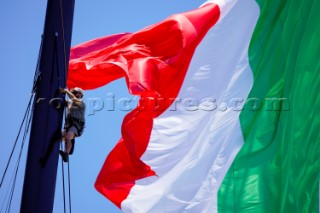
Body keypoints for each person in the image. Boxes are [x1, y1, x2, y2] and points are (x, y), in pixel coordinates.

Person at [59, 87, 86, 162]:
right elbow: (64, 102)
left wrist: (66, 91)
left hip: (77, 126)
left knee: (68, 136)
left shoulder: (81, 103)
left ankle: (66, 153)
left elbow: (73, 99)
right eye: (73, 93)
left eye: (76, 93)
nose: (74, 94)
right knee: (57, 138)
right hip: (69, 125)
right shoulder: (70, 104)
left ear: (80, 94)